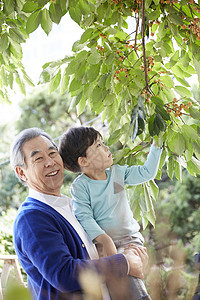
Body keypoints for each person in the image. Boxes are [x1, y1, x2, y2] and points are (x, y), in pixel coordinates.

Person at [10, 127, 148, 300]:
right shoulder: (32, 218)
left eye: (52, 153)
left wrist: (132, 252)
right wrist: (125, 263)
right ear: (21, 172)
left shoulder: (70, 205)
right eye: (38, 158)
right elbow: (64, 274)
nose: (50, 162)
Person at [58, 126, 163, 300]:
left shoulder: (118, 173)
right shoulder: (80, 186)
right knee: (116, 279)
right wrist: (105, 240)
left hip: (130, 238)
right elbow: (84, 216)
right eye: (98, 145)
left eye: (103, 143)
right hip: (103, 244)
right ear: (83, 161)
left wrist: (157, 146)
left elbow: (146, 172)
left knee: (126, 265)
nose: (107, 148)